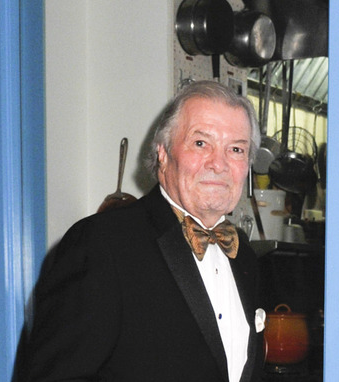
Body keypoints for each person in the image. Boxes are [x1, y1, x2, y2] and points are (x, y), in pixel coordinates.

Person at [16, 81, 266, 382]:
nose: (219, 163)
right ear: (162, 153)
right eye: (201, 143)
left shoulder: (246, 258)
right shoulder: (101, 244)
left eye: (236, 149)